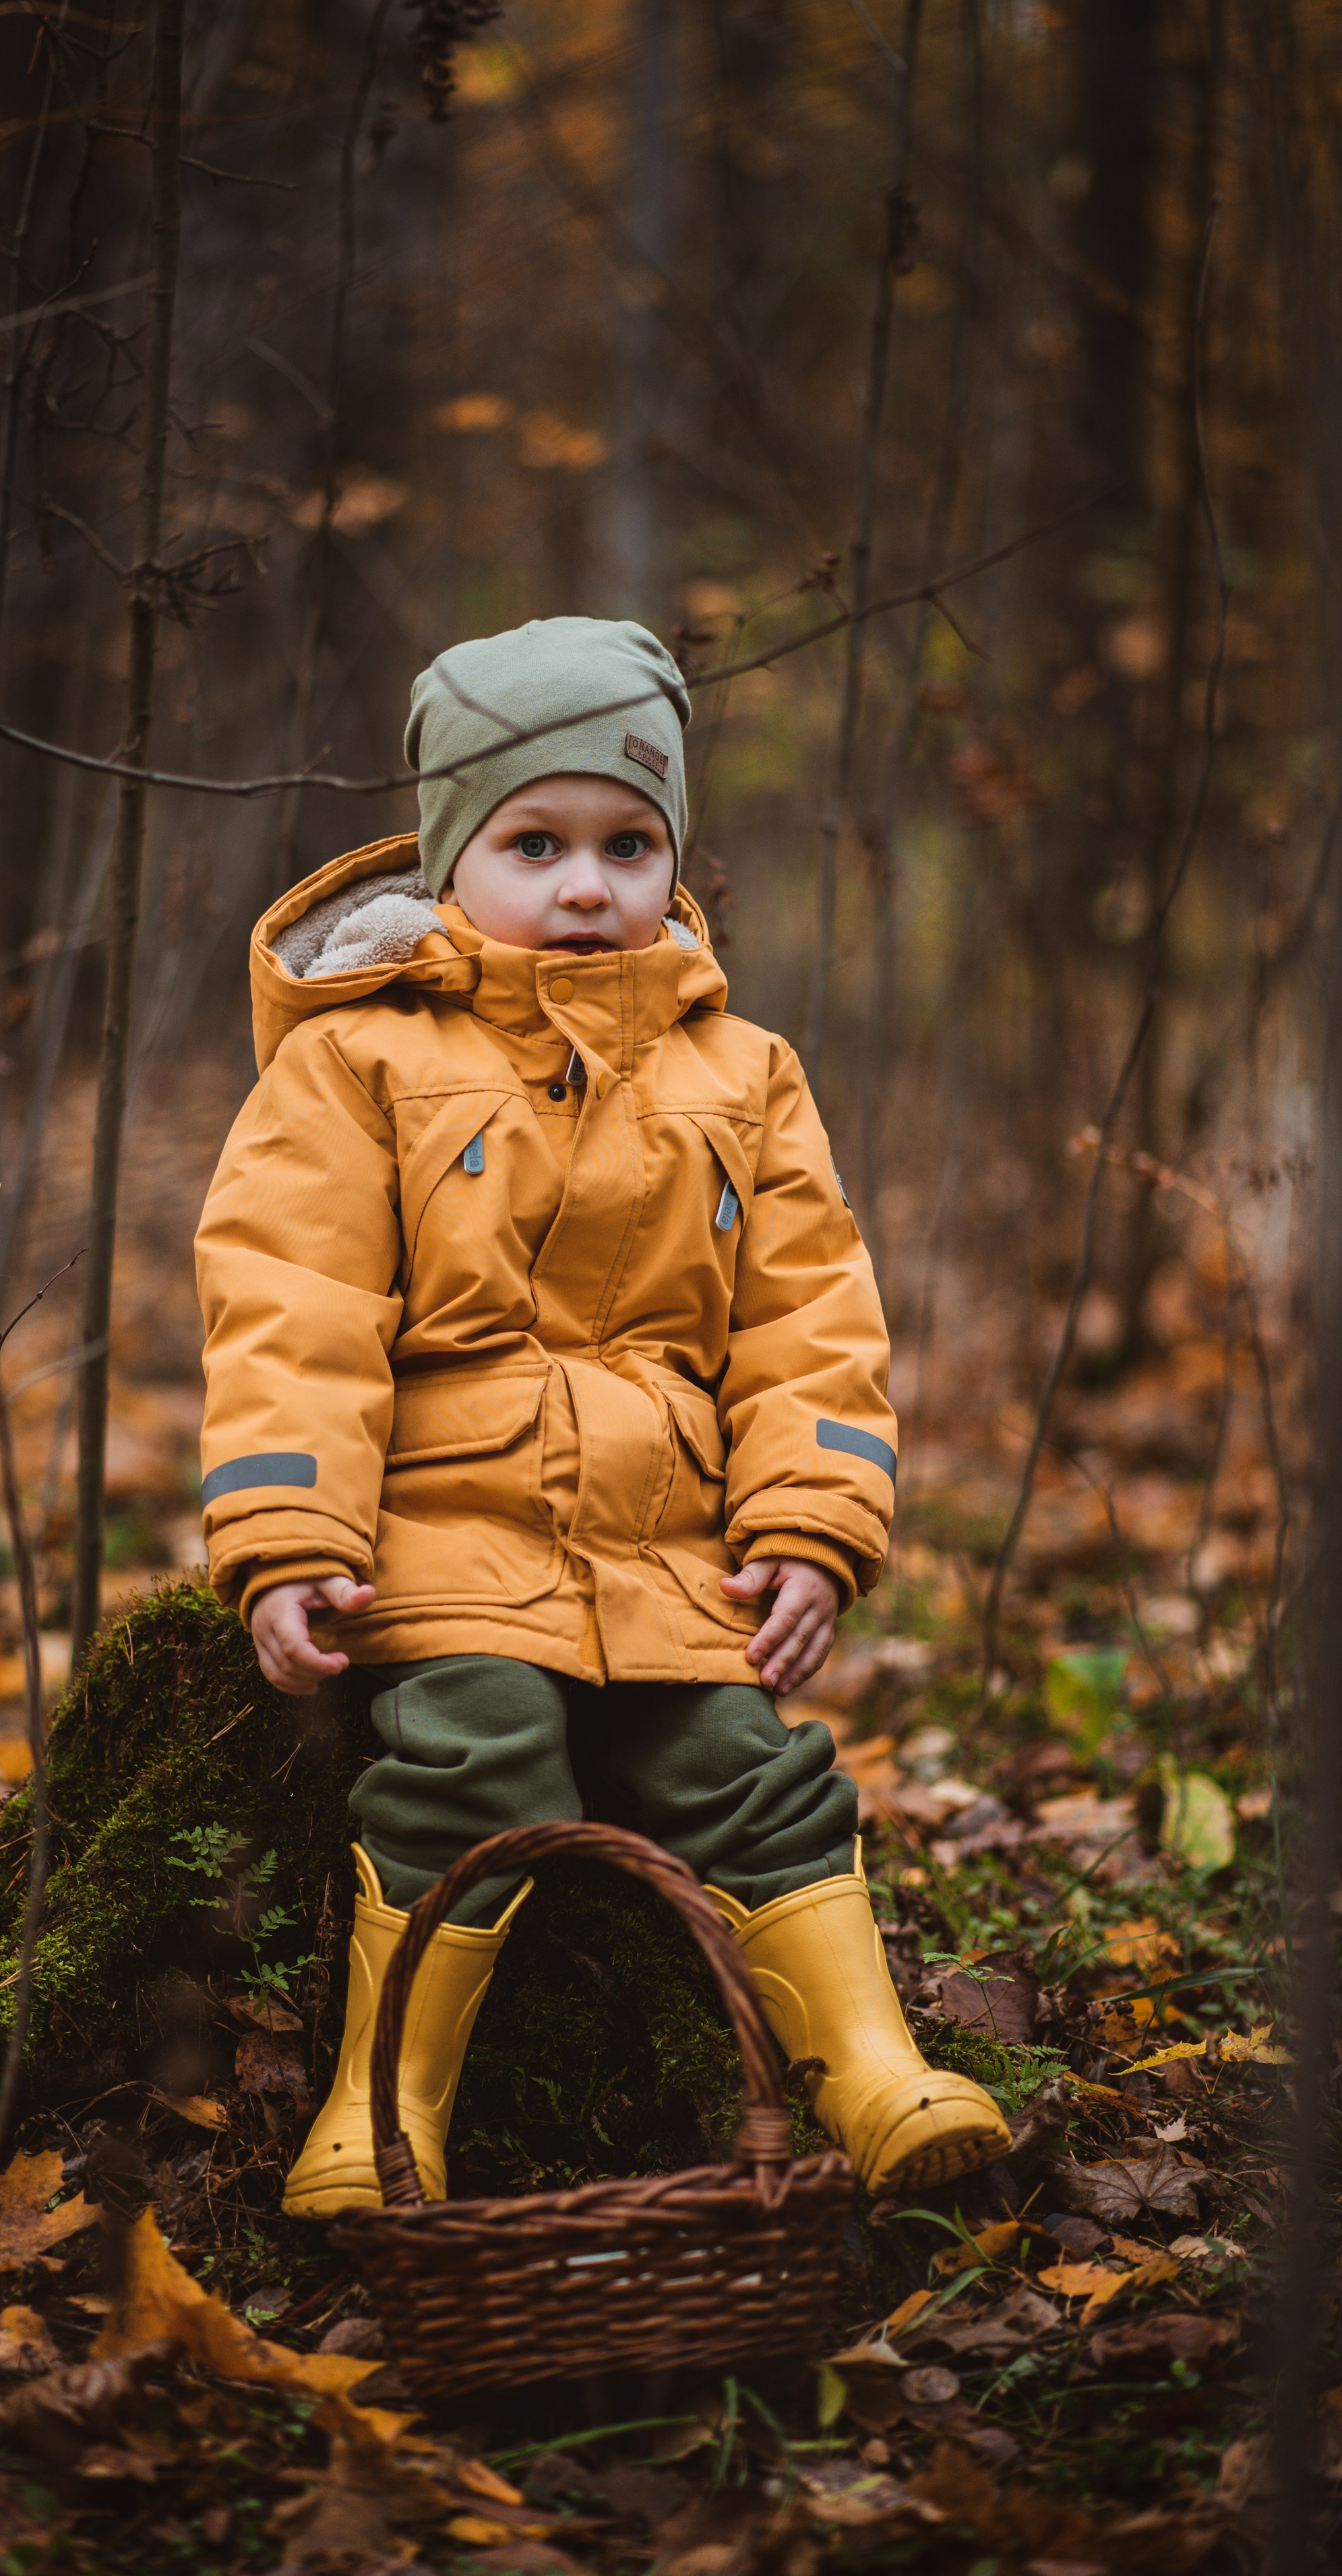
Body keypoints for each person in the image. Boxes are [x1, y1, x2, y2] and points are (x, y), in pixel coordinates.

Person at [194, 615, 1009, 2216]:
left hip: (663, 1547)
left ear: (672, 854)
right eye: (535, 842)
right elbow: (293, 1307)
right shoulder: (358, 1060)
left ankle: (868, 2069)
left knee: (750, 1763)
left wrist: (809, 1529)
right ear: (449, 860)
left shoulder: (743, 1072)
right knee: (473, 1751)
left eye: (628, 842)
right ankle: (385, 2107)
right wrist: (287, 1532)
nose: (586, 885)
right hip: (443, 1530)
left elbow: (806, 1321)